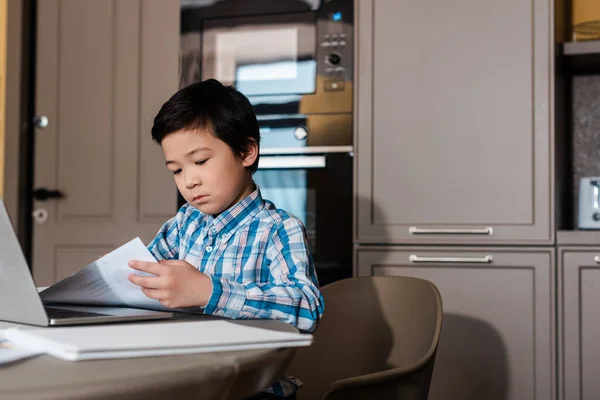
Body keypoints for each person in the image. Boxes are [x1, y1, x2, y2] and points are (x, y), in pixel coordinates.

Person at [127, 78, 325, 399]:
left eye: (201, 161)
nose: (189, 181)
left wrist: (208, 291)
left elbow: (307, 308)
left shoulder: (277, 229)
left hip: (251, 389)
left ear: (246, 151)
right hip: (187, 380)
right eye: (176, 170)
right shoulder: (185, 223)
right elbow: (139, 276)